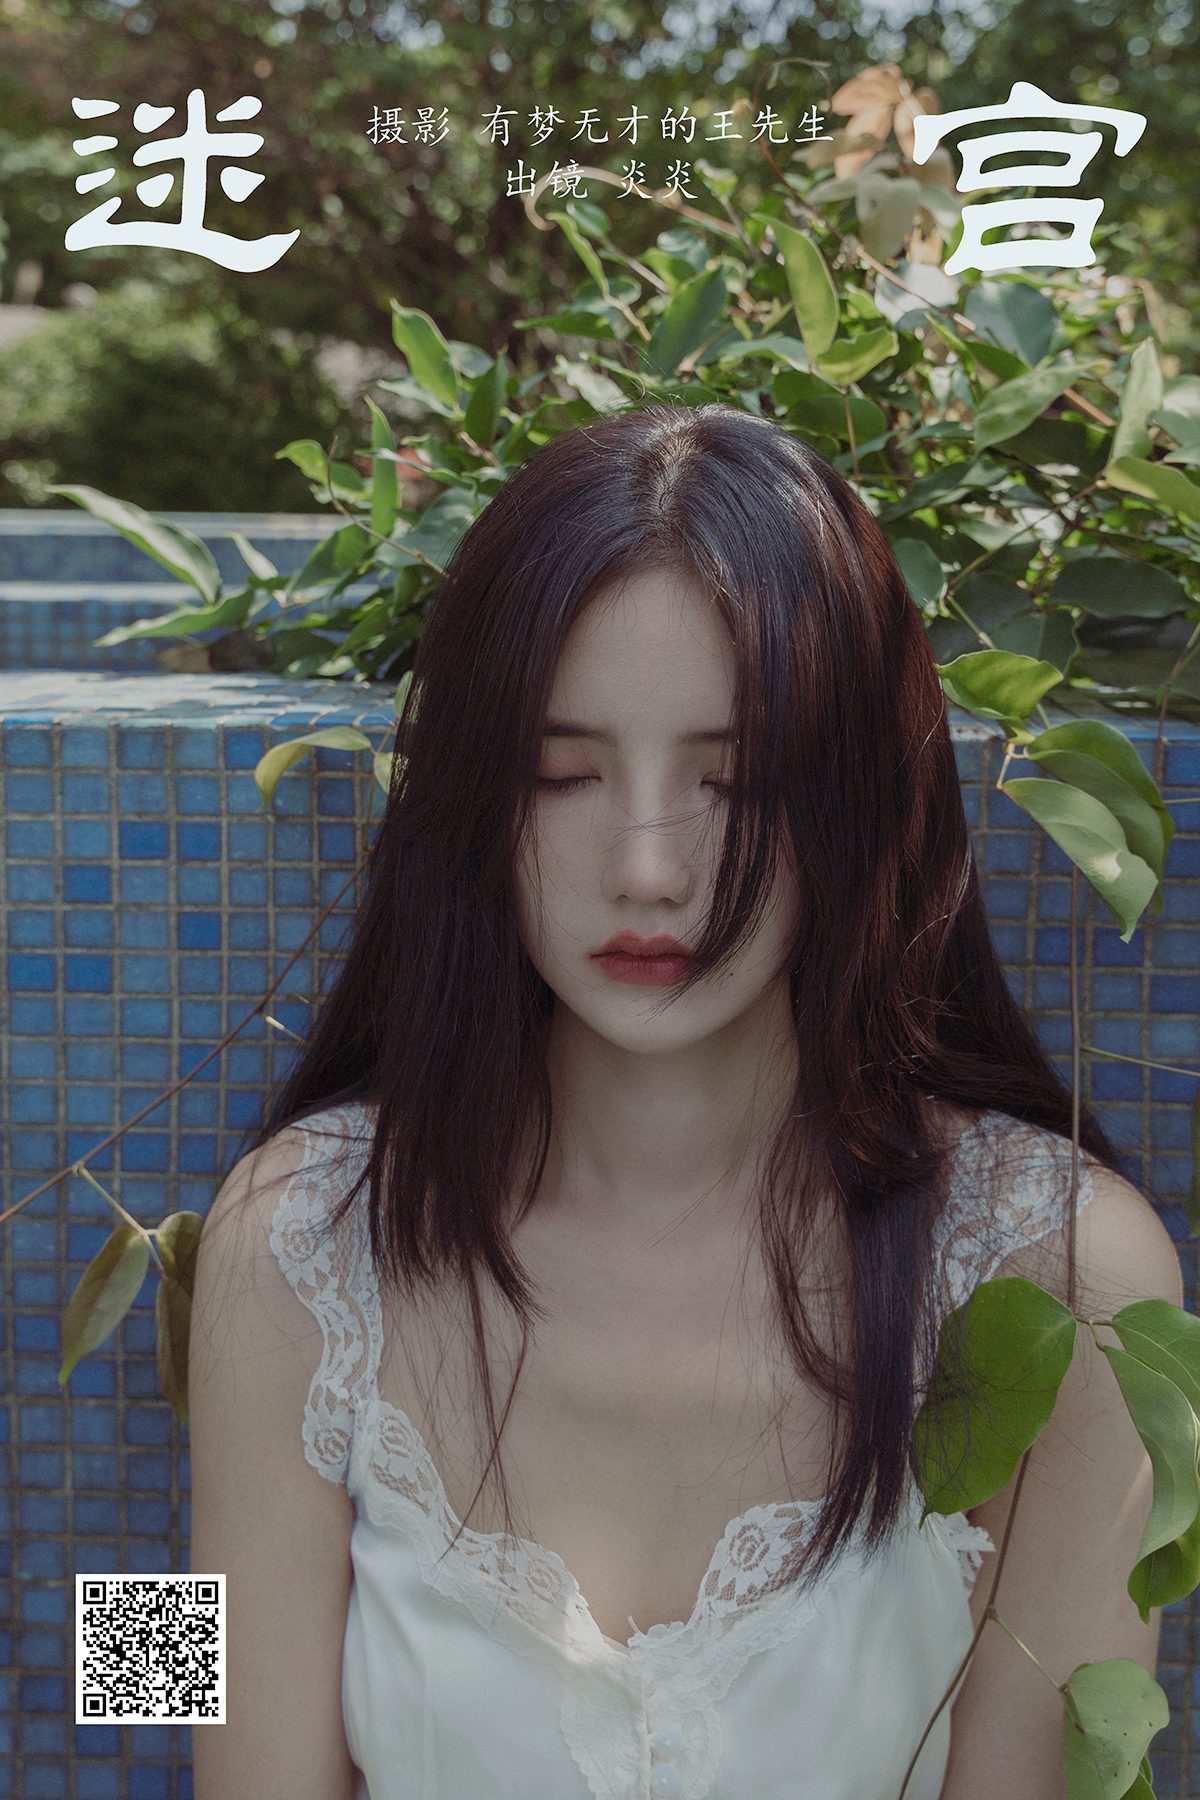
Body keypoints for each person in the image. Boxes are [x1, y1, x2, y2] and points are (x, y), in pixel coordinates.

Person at [187, 402, 1183, 1800]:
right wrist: (127, 1675)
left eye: (738, 780)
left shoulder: (1068, 1273)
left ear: (864, 796)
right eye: (563, 774)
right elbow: (196, 1724)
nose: (648, 868)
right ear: (471, 798)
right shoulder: (288, 1236)